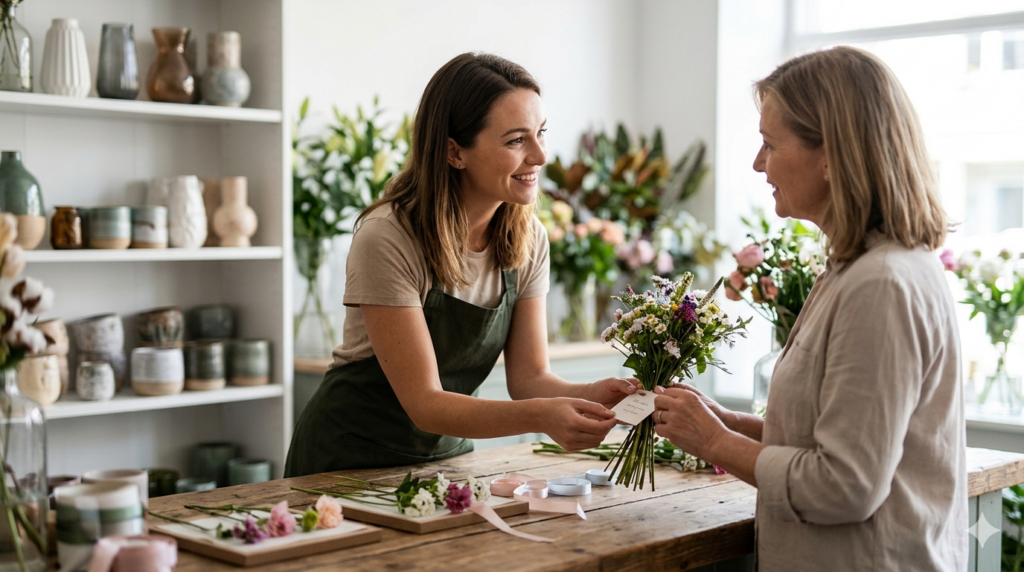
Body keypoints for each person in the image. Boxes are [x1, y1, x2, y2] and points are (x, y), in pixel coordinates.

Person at [651, 46, 965, 571]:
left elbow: (844, 486)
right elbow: (823, 435)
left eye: (769, 144)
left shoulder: (881, 283)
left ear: (830, 155)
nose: (758, 164)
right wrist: (727, 422)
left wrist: (713, 440)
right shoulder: (852, 268)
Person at [286, 53, 638, 477]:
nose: (541, 156)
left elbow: (529, 378)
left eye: (541, 133)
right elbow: (426, 404)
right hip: (348, 461)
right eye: (516, 141)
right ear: (455, 152)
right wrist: (543, 416)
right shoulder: (389, 237)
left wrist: (593, 394)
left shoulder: (530, 239)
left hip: (446, 461)